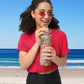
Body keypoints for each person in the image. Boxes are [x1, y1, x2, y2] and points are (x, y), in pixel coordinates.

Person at [17, 0, 69, 84]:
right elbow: (23, 65)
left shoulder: (61, 35)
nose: (46, 17)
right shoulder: (24, 37)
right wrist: (37, 43)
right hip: (34, 79)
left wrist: (55, 58)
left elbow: (63, 63)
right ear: (33, 14)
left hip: (54, 77)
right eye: (42, 12)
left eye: (49, 13)